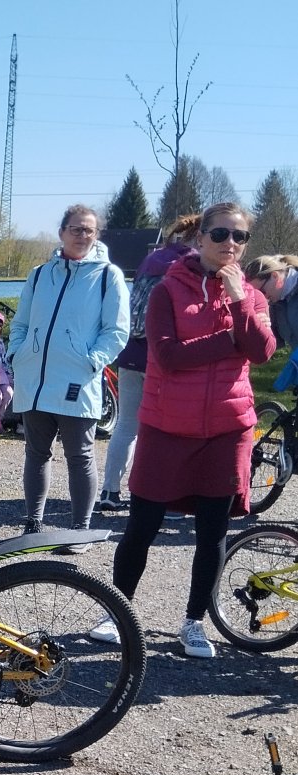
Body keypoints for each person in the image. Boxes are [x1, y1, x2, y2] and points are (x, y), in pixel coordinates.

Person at [94, 203, 275, 660]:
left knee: (212, 533)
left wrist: (238, 302)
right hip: (167, 425)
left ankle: (194, 623)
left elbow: (261, 351)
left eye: (239, 237)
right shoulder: (167, 290)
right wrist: (229, 341)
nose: (230, 243)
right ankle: (118, 612)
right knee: (142, 526)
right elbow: (169, 356)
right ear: (199, 239)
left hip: (227, 429)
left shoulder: (252, 297)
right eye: (220, 234)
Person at [6, 205, 128, 536]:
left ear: (96, 235)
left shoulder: (108, 276)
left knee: (80, 456)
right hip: (35, 381)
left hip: (77, 380)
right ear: (62, 232)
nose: (82, 235)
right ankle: (33, 523)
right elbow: (21, 323)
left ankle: (80, 529)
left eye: (89, 230)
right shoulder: (39, 275)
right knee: (36, 453)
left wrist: (91, 360)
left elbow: (116, 331)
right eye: (76, 229)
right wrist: (18, 354)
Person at [97, 215, 198, 512]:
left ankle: (110, 490)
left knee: (126, 425)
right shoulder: (192, 265)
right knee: (170, 430)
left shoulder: (151, 260)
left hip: (132, 352)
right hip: (164, 357)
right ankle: (164, 495)